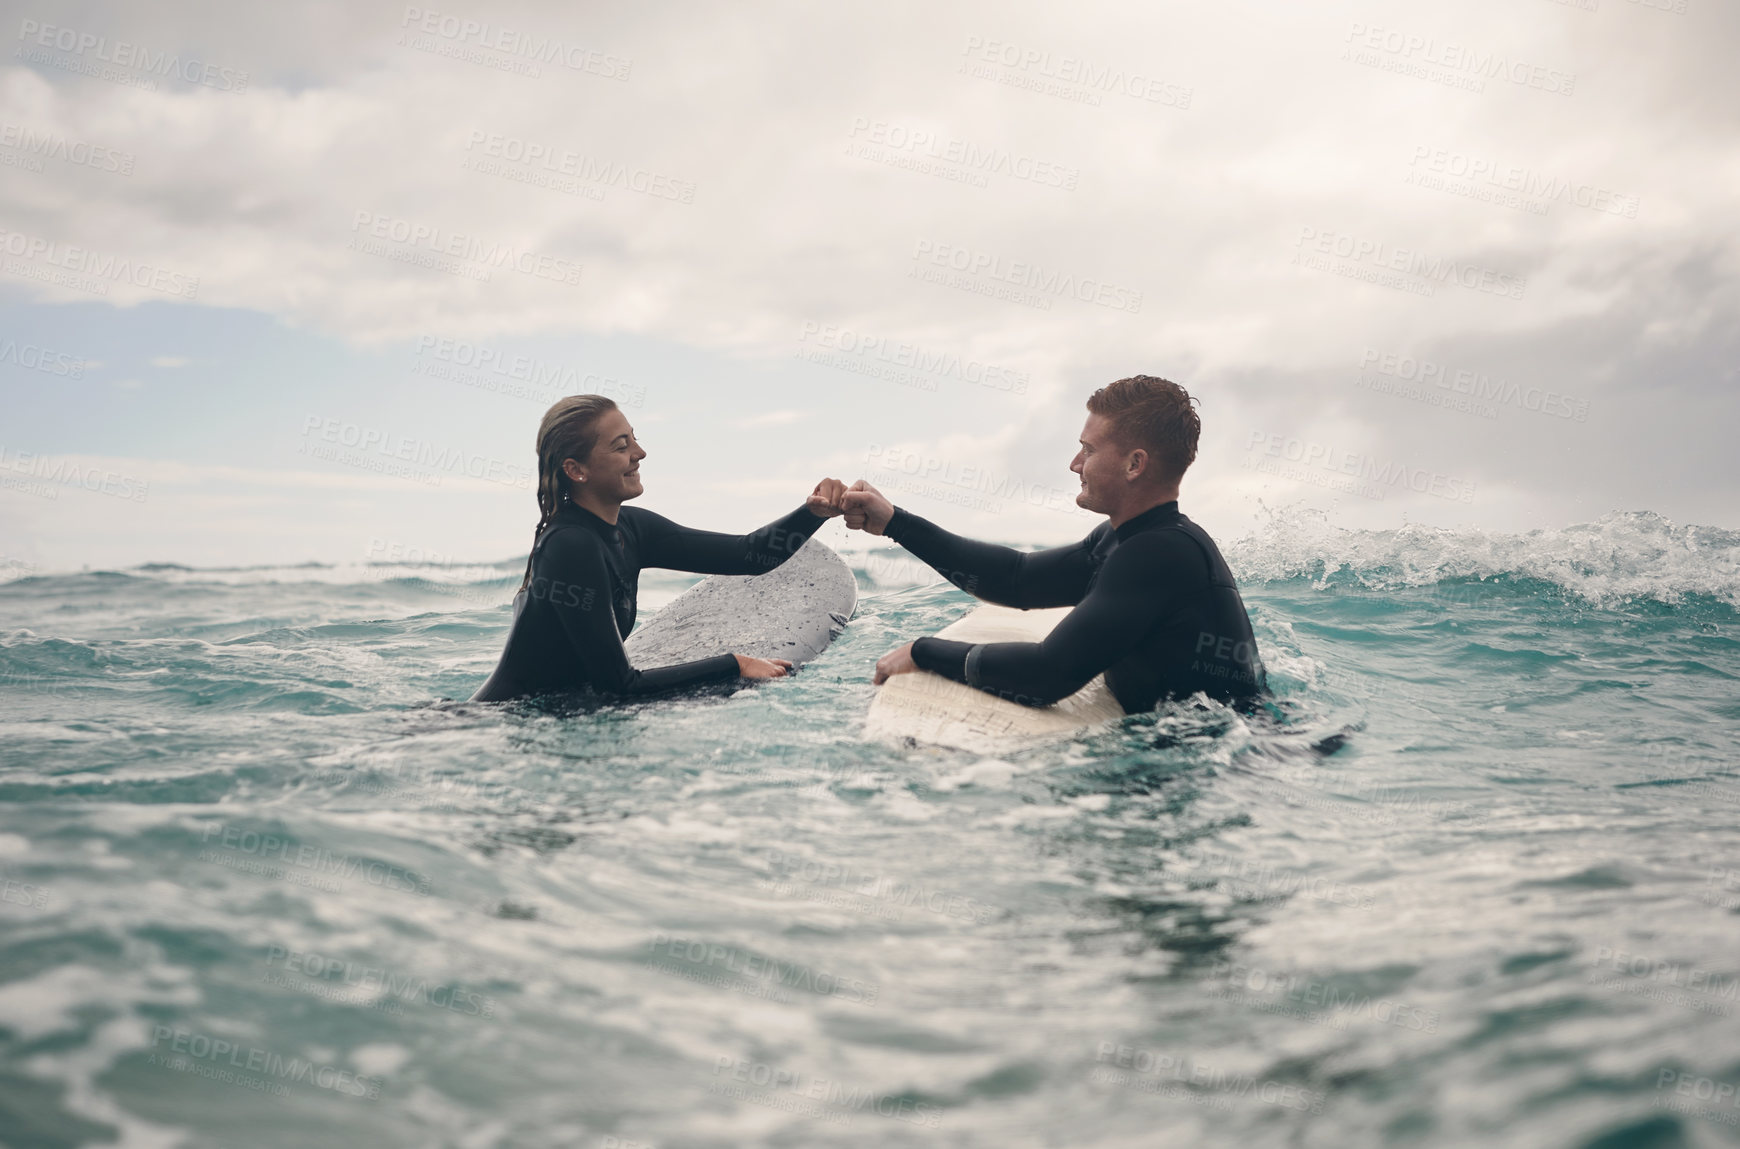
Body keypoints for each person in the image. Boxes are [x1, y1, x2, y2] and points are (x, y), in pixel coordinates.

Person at [841, 375, 1266, 712]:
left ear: (1135, 464)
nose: (1074, 464)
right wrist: (895, 523)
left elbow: (1046, 677)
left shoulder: (1161, 554)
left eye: (1088, 450)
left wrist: (924, 651)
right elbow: (1018, 580)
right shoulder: (1124, 539)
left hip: (1237, 763)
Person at [472, 395, 847, 702]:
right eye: (622, 446)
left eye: (634, 438)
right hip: (497, 726)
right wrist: (734, 664)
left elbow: (748, 554)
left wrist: (812, 512)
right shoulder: (570, 545)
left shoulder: (631, 529)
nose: (640, 452)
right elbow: (619, 686)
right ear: (576, 469)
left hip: (548, 720)